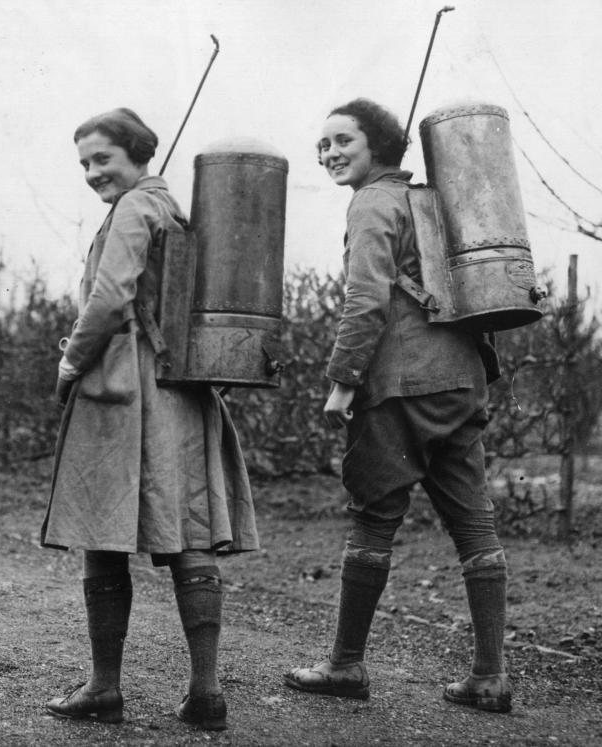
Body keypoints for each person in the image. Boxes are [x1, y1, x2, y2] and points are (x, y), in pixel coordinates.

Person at [283, 99, 511, 713]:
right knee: (473, 522)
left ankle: (346, 666)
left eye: (341, 141)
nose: (328, 153)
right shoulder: (430, 198)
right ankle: (489, 676)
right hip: (462, 377)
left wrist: (343, 379)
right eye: (322, 145)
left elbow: (366, 299)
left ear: (378, 146)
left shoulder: (373, 202)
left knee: (373, 518)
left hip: (399, 384)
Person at [40, 108, 259, 731]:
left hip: (125, 388)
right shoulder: (167, 206)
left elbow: (111, 299)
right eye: (84, 162)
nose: (91, 172)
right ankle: (205, 693)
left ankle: (105, 688)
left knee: (103, 529)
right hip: (178, 389)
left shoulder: (137, 208)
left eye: (102, 158)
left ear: (137, 154)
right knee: (185, 529)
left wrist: (68, 366)